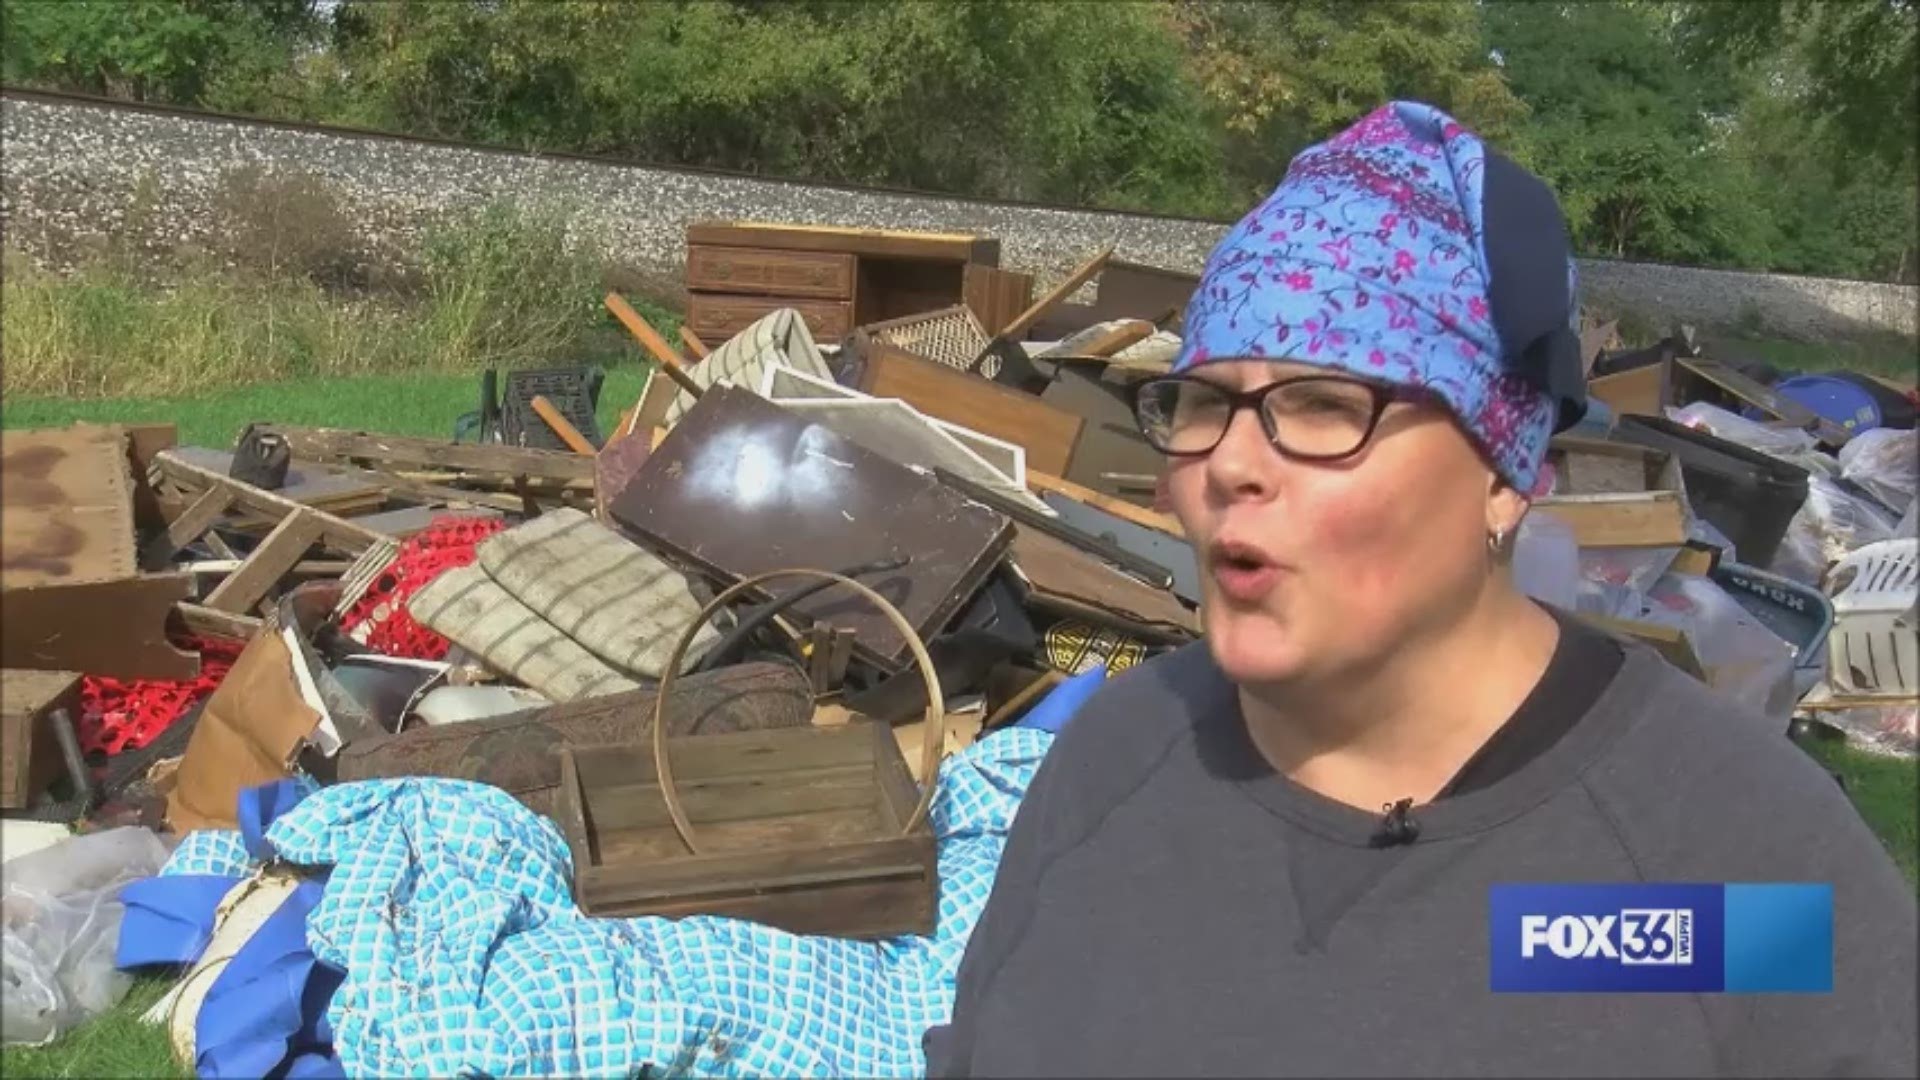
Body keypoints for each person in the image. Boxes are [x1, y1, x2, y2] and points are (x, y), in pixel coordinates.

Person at [923, 101, 1917, 1078]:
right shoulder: (1111, 766)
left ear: (1503, 470)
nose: (1227, 465)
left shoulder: (1722, 865)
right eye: (1199, 402)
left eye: (1321, 405)